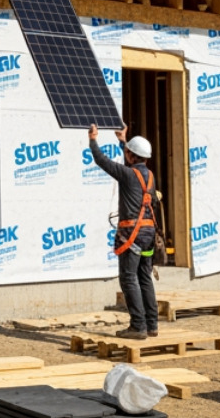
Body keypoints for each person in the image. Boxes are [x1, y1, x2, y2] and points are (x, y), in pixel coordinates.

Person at [88, 124, 159, 340]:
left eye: (127, 151)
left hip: (133, 234)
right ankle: (151, 324)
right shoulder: (150, 177)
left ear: (130, 155)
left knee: (129, 278)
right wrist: (123, 142)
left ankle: (138, 326)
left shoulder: (128, 175)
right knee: (144, 277)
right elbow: (132, 159)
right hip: (148, 235)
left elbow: (102, 161)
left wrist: (93, 139)